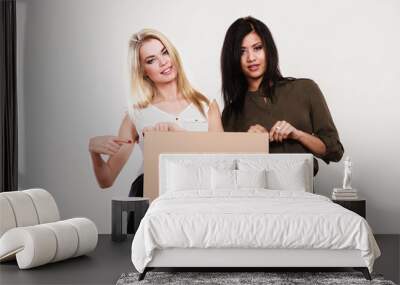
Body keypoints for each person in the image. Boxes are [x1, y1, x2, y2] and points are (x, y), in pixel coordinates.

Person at [89, 29, 223, 231]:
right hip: (150, 193)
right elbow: (106, 179)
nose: (163, 62)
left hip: (197, 192)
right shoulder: (136, 114)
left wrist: (180, 137)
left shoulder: (205, 105)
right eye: (151, 60)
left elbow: (222, 161)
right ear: (143, 70)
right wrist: (93, 151)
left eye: (165, 52)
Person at [220, 16, 344, 174]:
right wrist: (248, 143)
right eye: (241, 52)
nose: (251, 58)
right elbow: (228, 170)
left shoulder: (305, 89)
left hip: (301, 192)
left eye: (257, 48)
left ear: (268, 49)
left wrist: (297, 134)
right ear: (232, 58)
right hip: (254, 193)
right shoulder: (231, 114)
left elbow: (334, 151)